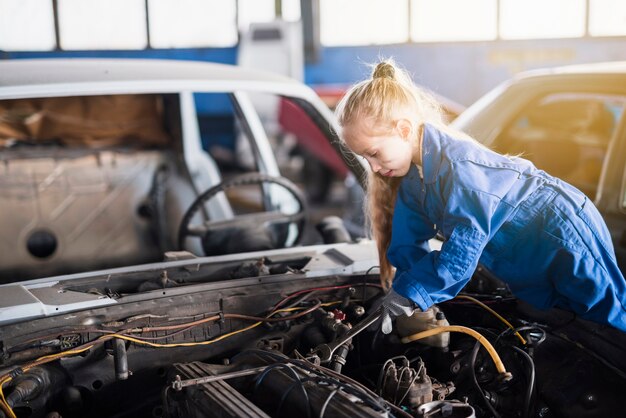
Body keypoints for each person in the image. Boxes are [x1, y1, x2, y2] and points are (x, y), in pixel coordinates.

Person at [335, 59, 626, 334]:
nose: (372, 166)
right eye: (364, 157)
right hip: (522, 255)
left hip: (562, 232)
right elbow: (407, 244)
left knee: (608, 323)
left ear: (404, 130)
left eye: (373, 153)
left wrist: (412, 294)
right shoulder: (414, 180)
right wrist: (398, 295)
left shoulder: (462, 168)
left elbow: (461, 255)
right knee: (562, 327)